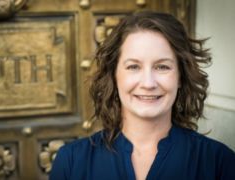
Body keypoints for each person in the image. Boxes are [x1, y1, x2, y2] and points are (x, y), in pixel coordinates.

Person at [49, 11, 235, 180]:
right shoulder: (71, 162)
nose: (148, 83)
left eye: (162, 67)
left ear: (180, 76)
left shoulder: (219, 163)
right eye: (133, 67)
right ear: (115, 76)